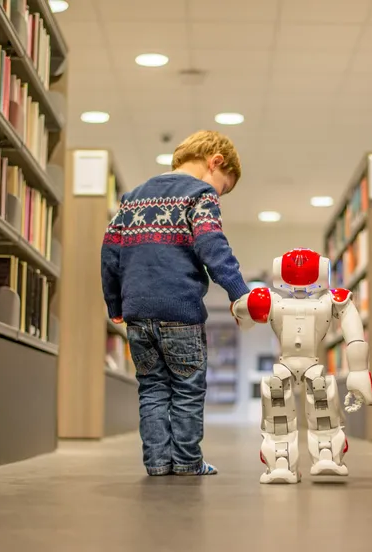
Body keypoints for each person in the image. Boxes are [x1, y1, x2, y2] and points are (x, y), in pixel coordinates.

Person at [101, 130, 250, 476]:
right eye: (223, 187)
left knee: (152, 389)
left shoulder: (132, 199)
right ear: (216, 162)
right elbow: (212, 246)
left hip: (138, 314)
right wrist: (239, 292)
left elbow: (109, 253)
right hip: (180, 312)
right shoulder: (200, 195)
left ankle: (156, 463)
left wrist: (115, 305)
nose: (219, 194)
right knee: (186, 389)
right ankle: (186, 462)